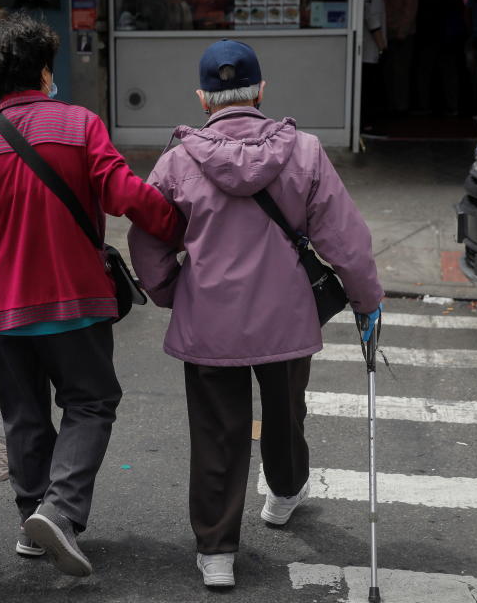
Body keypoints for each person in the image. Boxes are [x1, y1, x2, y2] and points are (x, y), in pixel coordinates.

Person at [128, 39, 384, 589]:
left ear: (203, 98)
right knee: (286, 413)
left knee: (219, 430)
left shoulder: (177, 162)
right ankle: (286, 492)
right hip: (287, 316)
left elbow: (148, 240)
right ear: (261, 92)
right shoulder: (306, 152)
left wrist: (173, 289)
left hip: (209, 321)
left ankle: (217, 552)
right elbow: (347, 241)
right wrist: (366, 302)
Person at [0, 11, 184, 578]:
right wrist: (177, 226)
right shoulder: (80, 125)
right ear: (46, 72)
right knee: (91, 403)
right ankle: (61, 509)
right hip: (77, 304)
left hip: (4, 313)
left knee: (25, 419)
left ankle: (34, 520)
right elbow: (125, 193)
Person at [380, 0, 419, 113]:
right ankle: (392, 104)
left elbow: (410, 9)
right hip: (388, 31)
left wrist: (402, 32)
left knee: (401, 71)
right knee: (389, 70)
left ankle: (401, 106)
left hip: (402, 33)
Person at [362, 0, 388, 132]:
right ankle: (367, 125)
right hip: (369, 51)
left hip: (367, 50)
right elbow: (374, 24)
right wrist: (382, 47)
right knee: (369, 91)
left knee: (368, 90)